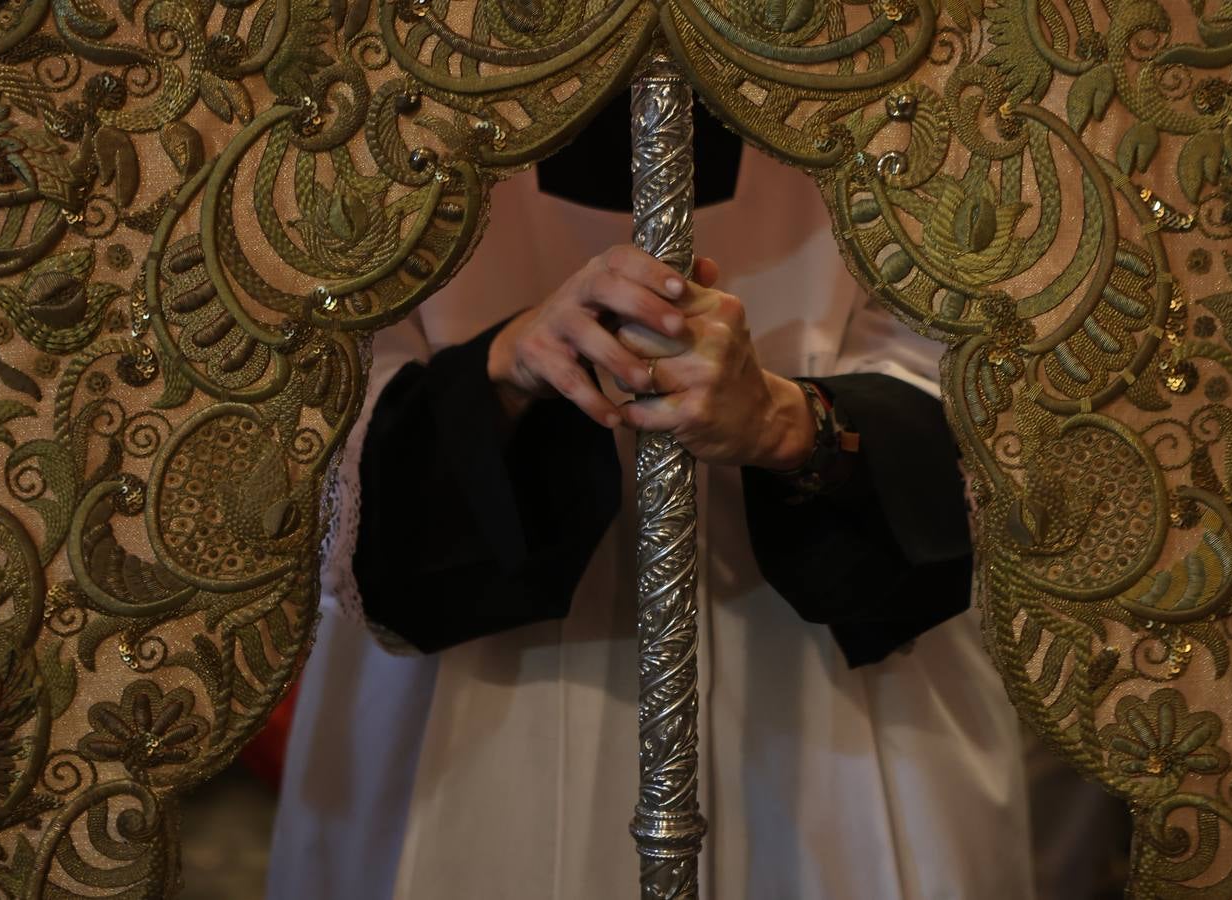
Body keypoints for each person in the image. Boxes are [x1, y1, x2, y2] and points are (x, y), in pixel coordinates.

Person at [267, 93, 1035, 900]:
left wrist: (788, 422)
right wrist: (501, 373)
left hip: (836, 713)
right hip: (466, 714)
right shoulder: (378, 98)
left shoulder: (906, 95)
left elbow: (980, 384)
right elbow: (312, 418)